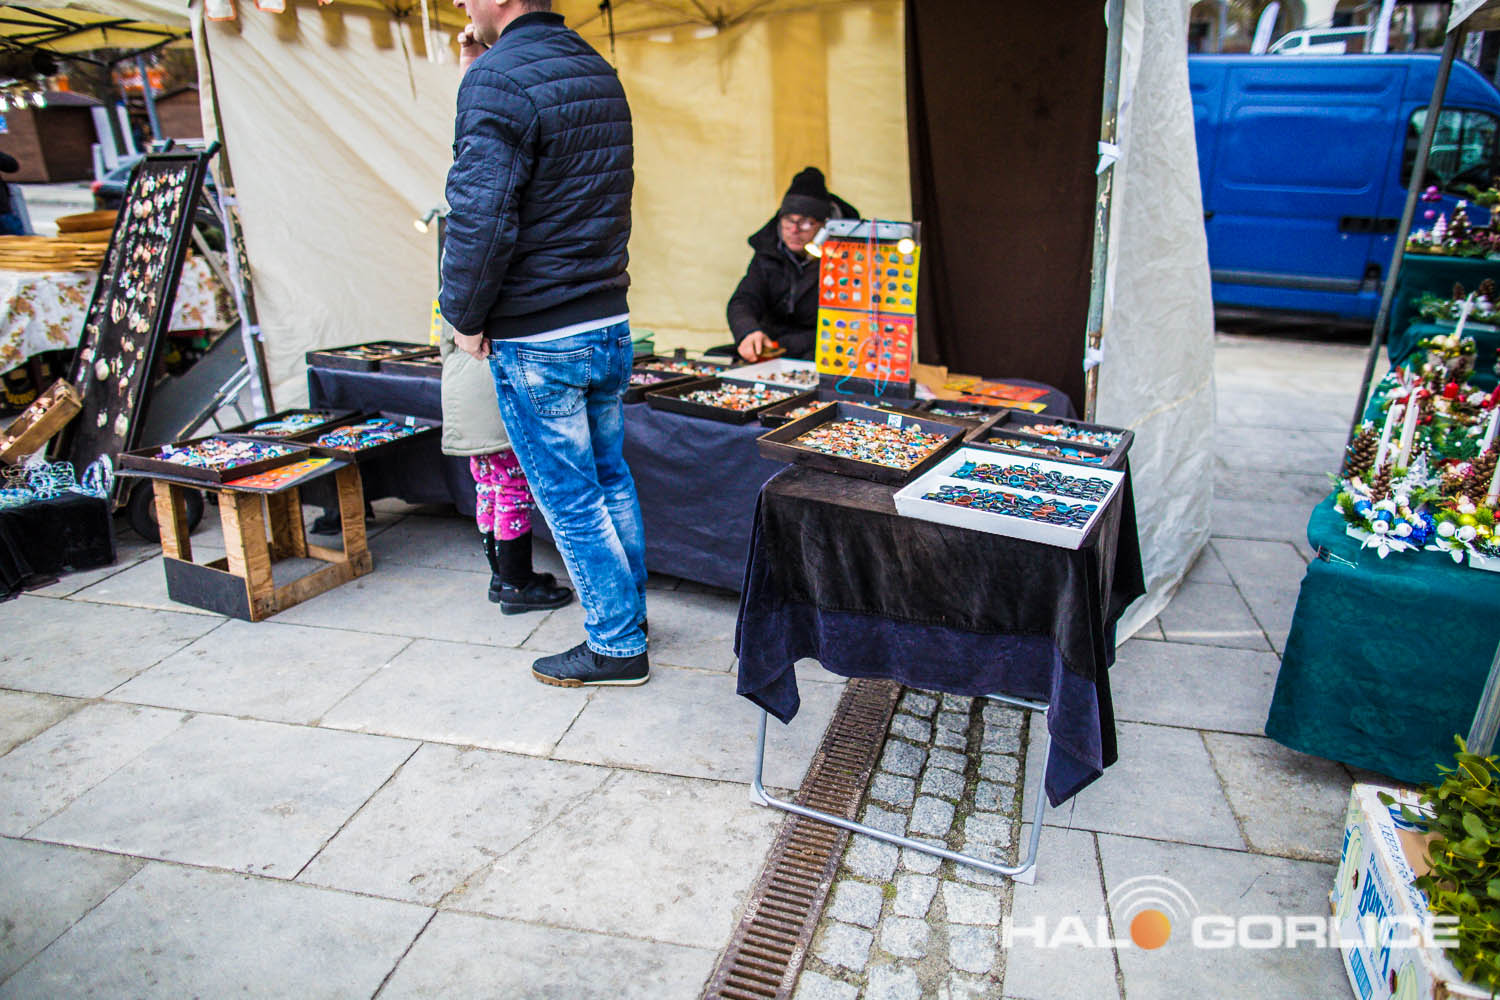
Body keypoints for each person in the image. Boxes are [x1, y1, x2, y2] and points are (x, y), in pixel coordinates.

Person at [442, 0, 648, 687]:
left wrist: (464, 315)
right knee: (610, 479)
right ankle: (629, 619)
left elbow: (481, 210)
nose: (460, 3)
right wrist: (479, 62)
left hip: (540, 331)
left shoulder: (498, 78)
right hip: (604, 317)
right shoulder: (595, 68)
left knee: (571, 497)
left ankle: (617, 644)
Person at [438, 320, 572, 614]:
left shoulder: (454, 295)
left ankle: (501, 577)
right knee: (513, 490)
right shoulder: (488, 293)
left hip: (463, 387)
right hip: (493, 390)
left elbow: (446, 342)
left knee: (489, 487)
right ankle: (517, 584)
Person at [725, 166, 856, 363]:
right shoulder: (768, 251)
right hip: (770, 348)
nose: (794, 230)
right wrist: (748, 331)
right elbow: (744, 299)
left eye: (805, 222)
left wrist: (788, 345)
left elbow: (848, 324)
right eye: (788, 220)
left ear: (824, 226)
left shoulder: (847, 256)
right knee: (716, 355)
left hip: (822, 350)